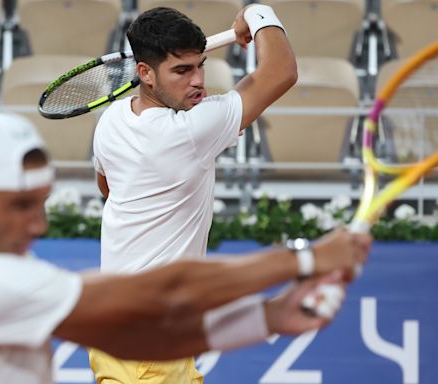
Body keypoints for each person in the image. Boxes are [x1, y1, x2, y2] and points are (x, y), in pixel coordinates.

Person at [0, 111, 371, 384]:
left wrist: (269, 317)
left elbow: (136, 335)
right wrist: (306, 258)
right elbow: (165, 294)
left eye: (39, 205)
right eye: (19, 206)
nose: (38, 225)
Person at [90, 4, 367, 384]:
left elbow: (107, 188)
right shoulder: (188, 131)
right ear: (145, 73)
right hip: (150, 348)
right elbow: (281, 70)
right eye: (182, 71)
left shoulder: (112, 120)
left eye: (201, 65)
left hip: (128, 337)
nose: (198, 81)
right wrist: (257, 12)